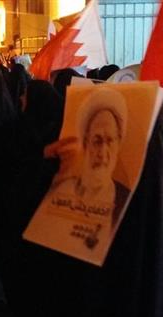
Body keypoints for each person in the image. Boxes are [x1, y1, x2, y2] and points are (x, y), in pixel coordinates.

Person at [48, 87, 130, 245]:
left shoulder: (125, 199)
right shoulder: (62, 188)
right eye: (97, 140)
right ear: (85, 143)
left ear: (119, 143)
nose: (102, 152)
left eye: (110, 140)